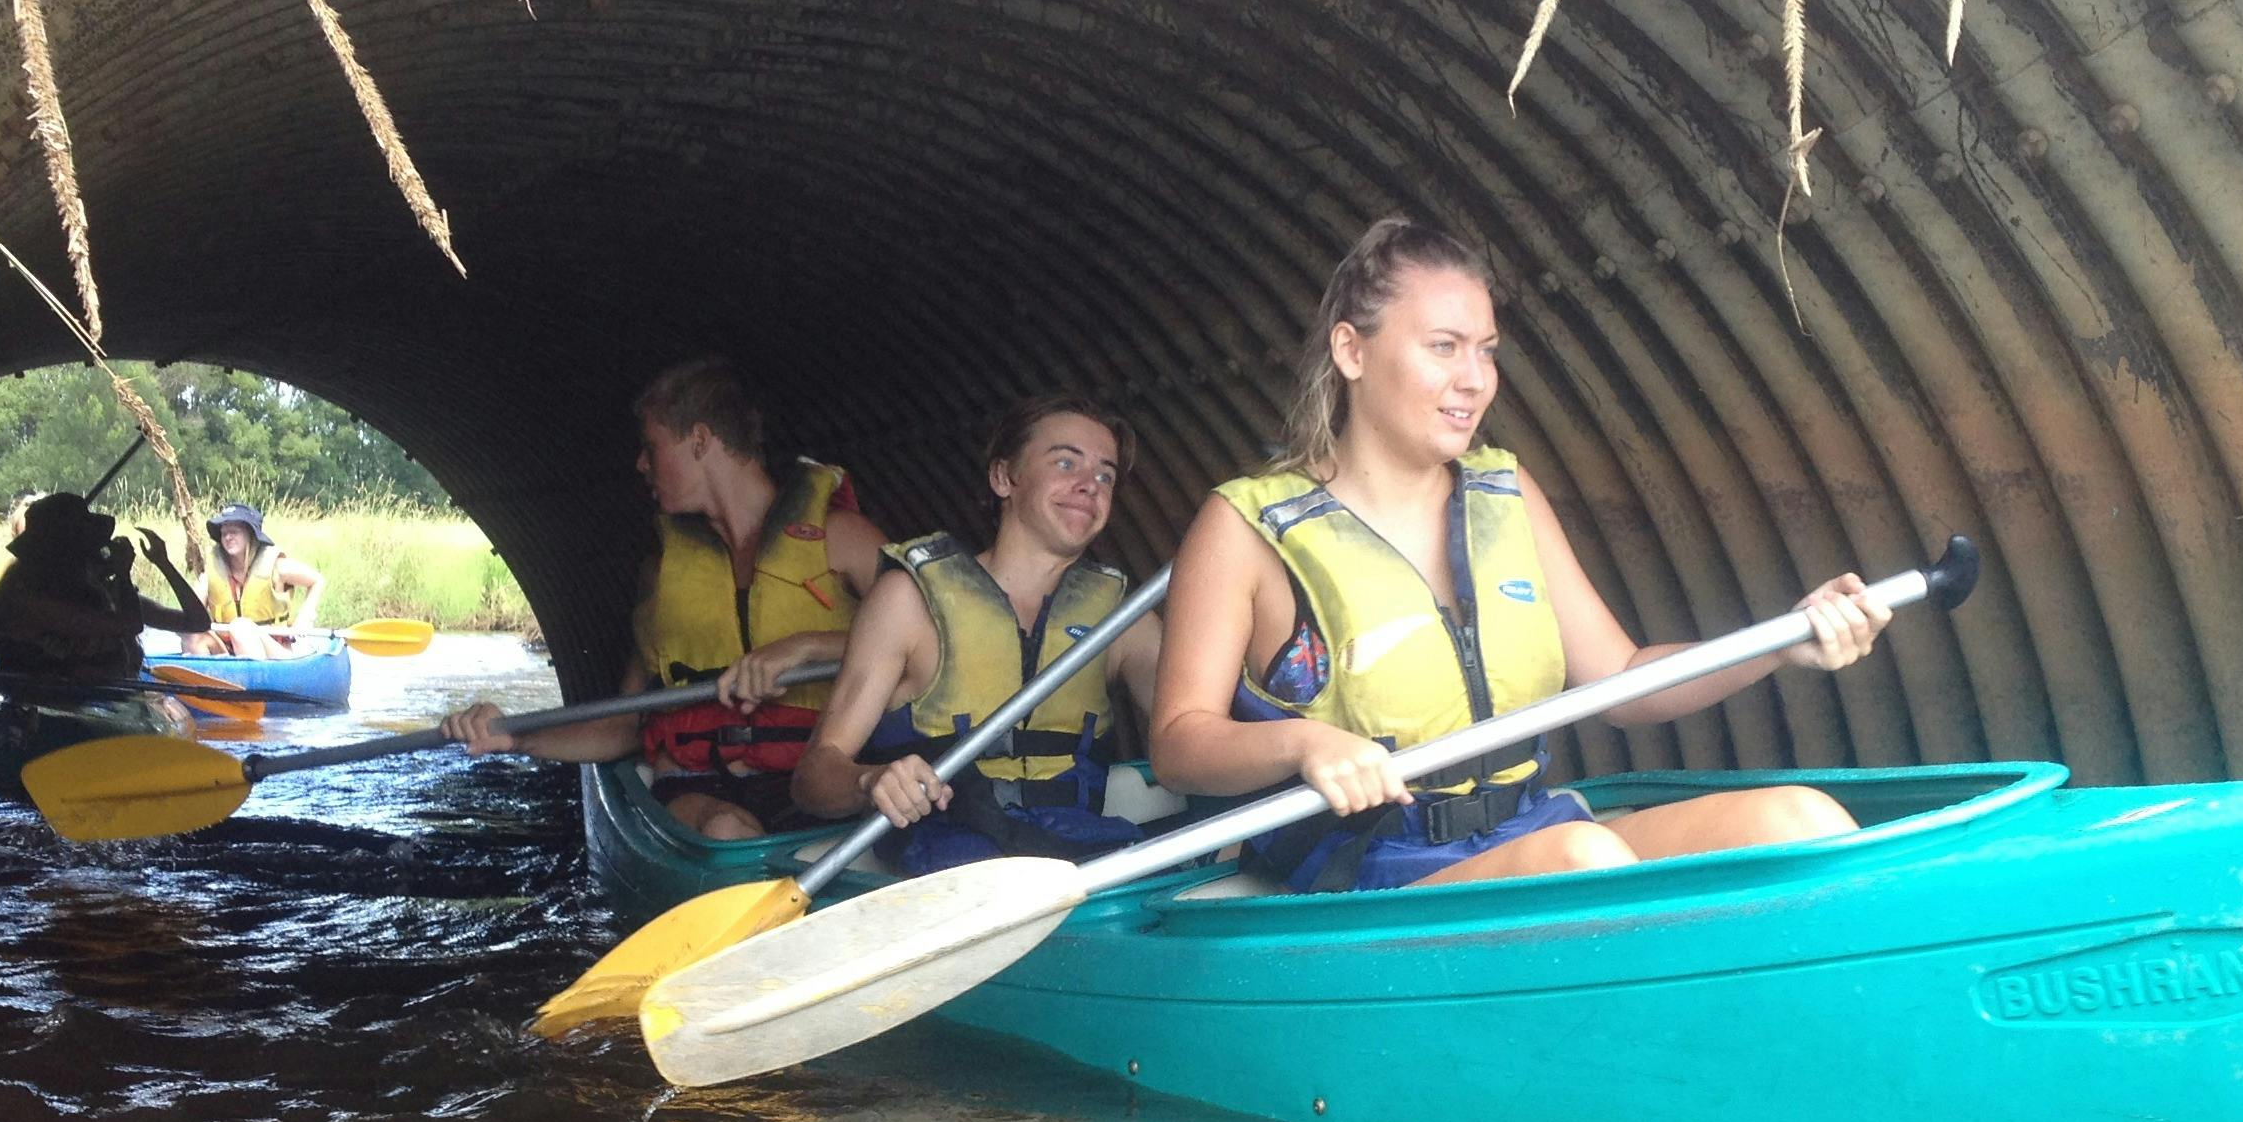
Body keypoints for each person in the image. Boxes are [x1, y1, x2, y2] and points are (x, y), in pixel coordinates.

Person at [1148, 216, 1895, 894]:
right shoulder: (1244, 525)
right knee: (1582, 864)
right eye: (1442, 347)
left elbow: (1622, 681)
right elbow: (1181, 742)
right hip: (1369, 862)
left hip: (1531, 830)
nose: (1474, 379)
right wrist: (1303, 743)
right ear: (1351, 350)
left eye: (1486, 351)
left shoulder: (1504, 491)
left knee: (1803, 820)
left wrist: (1784, 643)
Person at [442, 357, 885, 837]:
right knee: (724, 829)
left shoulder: (844, 539)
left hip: (810, 785)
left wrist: (806, 646)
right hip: (698, 791)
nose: (640, 464)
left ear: (699, 440)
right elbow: (624, 724)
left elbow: (935, 647)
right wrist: (516, 735)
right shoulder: (663, 573)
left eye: (651, 446)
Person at [792, 395, 1163, 872]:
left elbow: (1196, 729)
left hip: (1080, 859)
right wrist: (871, 781)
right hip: (951, 863)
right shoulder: (908, 600)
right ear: (1003, 478)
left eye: (1105, 475)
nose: (1089, 486)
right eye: (1066, 462)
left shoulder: (1121, 616)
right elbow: (814, 777)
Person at [0, 492, 210, 681]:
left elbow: (197, 622)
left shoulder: (101, 593)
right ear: (67, 550)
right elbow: (128, 625)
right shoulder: (25, 603)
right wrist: (122, 574)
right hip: (47, 716)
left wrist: (163, 563)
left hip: (103, 708)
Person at [187, 503, 326, 658]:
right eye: (224, 532)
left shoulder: (277, 567)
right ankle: (206, 678)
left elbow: (317, 581)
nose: (227, 537)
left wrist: (304, 619)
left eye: (234, 531)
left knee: (240, 627)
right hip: (229, 651)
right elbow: (190, 615)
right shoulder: (210, 575)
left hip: (274, 653)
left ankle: (255, 681)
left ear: (250, 535)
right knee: (193, 634)